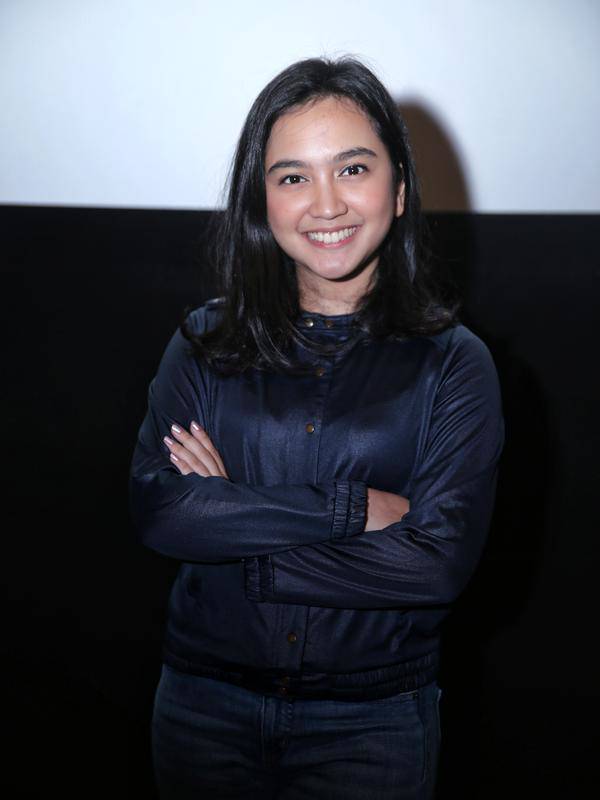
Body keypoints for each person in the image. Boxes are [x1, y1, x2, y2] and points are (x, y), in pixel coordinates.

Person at [129, 55, 504, 800]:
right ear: (261, 200)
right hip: (203, 712)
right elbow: (162, 511)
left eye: (353, 169)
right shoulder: (206, 342)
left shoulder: (455, 363)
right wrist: (355, 510)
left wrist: (237, 530)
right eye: (293, 177)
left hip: (374, 726)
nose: (325, 205)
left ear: (399, 189)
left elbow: (435, 565)